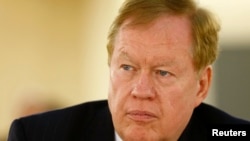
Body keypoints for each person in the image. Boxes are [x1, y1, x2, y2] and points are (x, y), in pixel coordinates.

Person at [7, 0, 250, 141]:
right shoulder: (39, 137)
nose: (141, 91)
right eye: (127, 67)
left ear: (202, 85)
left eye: (163, 72)